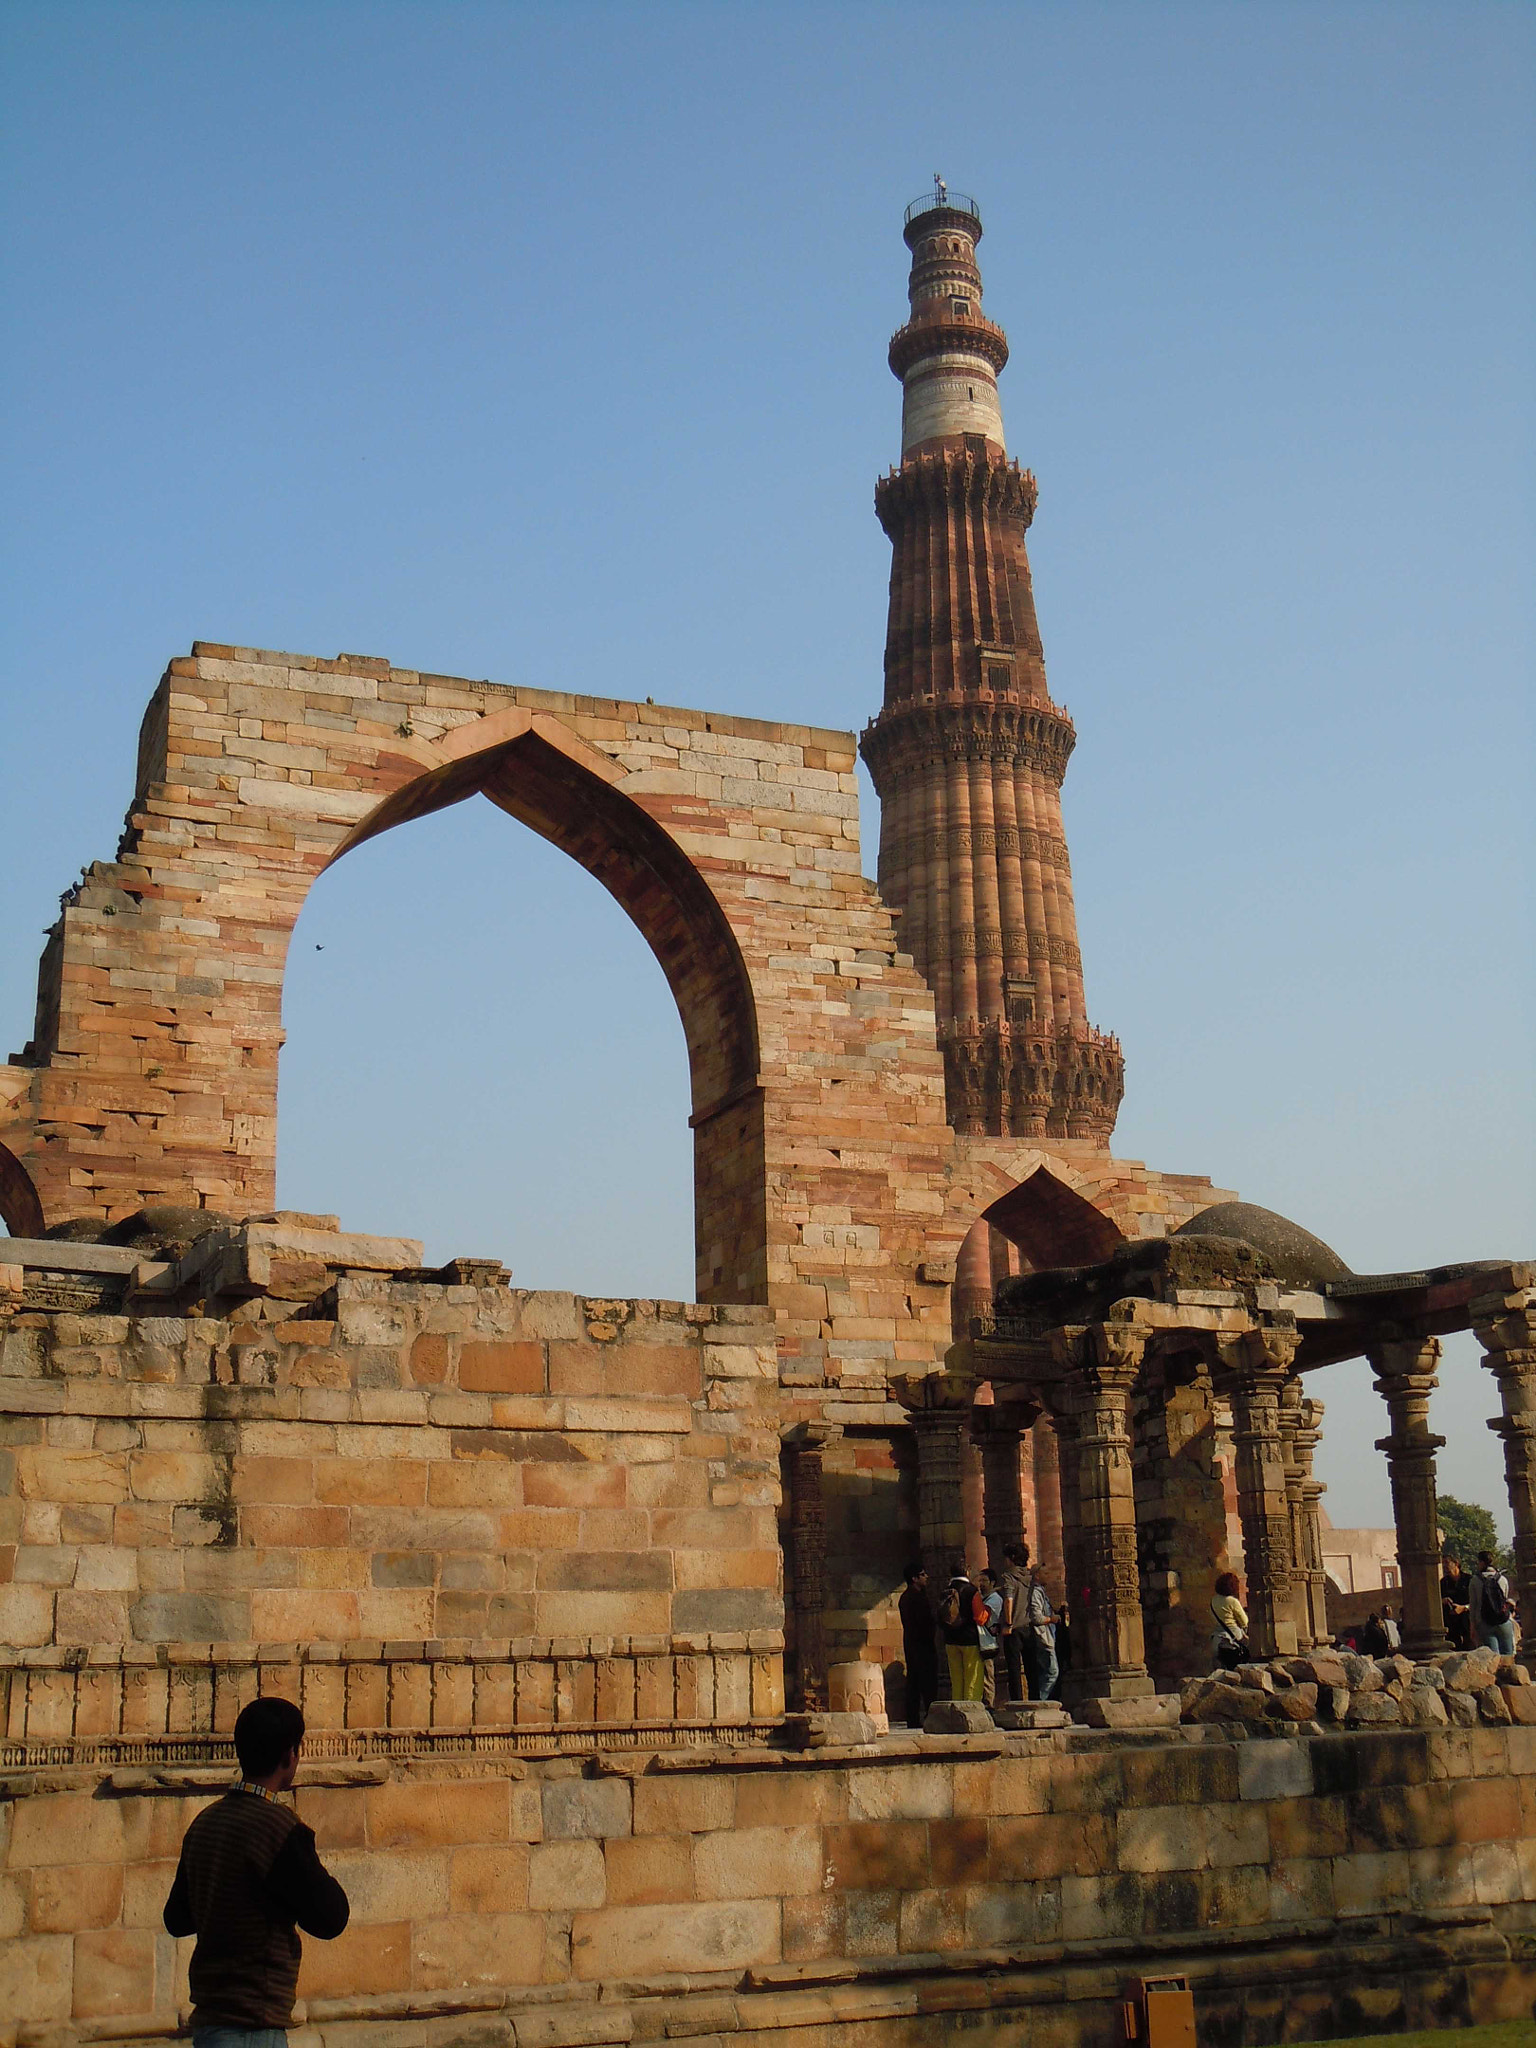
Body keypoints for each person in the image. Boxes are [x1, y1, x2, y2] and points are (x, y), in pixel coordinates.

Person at [164, 1696, 349, 2046]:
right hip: (253, 2026)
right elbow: (331, 1917)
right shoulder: (280, 1829)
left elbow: (177, 1918)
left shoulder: (205, 1824)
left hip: (209, 2023)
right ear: (289, 1756)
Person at [1003, 1541, 1058, 1702]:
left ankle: (1017, 1701)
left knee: (1013, 1668)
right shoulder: (1030, 1577)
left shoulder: (1009, 1576)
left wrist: (1007, 1622)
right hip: (1030, 1627)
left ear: (1012, 1558)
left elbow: (1008, 1599)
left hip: (1014, 1628)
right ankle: (1035, 1700)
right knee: (1031, 1667)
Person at [939, 1559, 987, 1703]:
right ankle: (972, 1709)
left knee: (956, 1678)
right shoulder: (971, 1591)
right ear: (967, 1572)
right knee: (973, 1677)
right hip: (970, 1640)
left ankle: (957, 1707)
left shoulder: (945, 1590)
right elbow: (980, 1618)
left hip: (950, 1639)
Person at [898, 1563, 939, 1728]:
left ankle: (913, 1719)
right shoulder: (916, 1597)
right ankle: (930, 1717)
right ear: (914, 1578)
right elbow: (924, 1623)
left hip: (911, 1643)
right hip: (922, 1644)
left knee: (914, 1682)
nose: (926, 1577)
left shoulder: (906, 1597)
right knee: (927, 1683)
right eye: (922, 1575)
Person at [1468, 1549, 1517, 1655]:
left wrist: (1472, 1625)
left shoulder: (1475, 1580)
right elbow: (1505, 1598)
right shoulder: (1502, 1579)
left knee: (1493, 1656)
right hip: (1503, 1620)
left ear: (1481, 1562)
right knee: (1508, 1654)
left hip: (1485, 1622)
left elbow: (1473, 1605)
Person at [1210, 1570, 1250, 1670]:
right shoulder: (1232, 1601)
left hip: (1218, 1636)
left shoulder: (1213, 1600)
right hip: (1234, 1635)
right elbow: (1244, 1621)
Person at [977, 1568, 1004, 1706]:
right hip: (978, 1640)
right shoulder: (980, 1597)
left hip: (988, 1641)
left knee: (988, 1676)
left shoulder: (995, 1599)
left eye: (984, 1581)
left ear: (992, 1582)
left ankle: (989, 1703)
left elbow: (983, 1616)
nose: (981, 1584)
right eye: (980, 1580)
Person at [1442, 1554, 1473, 1651]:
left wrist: (1463, 1608)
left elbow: (1478, 1603)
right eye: (1443, 1563)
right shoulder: (1443, 1583)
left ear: (1456, 1563)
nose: (1444, 1566)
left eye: (1447, 1562)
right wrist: (1443, 1601)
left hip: (1468, 1622)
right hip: (1451, 1623)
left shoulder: (1469, 1580)